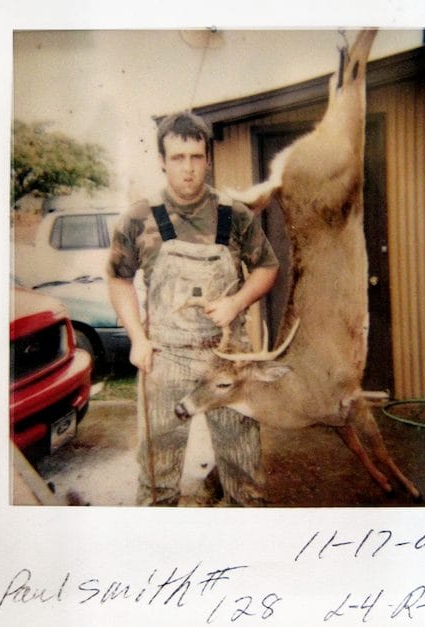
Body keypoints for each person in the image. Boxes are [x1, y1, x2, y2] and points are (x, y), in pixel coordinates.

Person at [107, 111, 279, 506]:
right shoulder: (138, 218)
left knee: (245, 477)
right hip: (164, 358)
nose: (188, 168)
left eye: (196, 157)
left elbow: (268, 268)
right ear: (162, 161)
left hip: (227, 361)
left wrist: (236, 302)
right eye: (178, 158)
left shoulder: (234, 214)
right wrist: (138, 339)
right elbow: (118, 279)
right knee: (157, 477)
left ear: (208, 159)